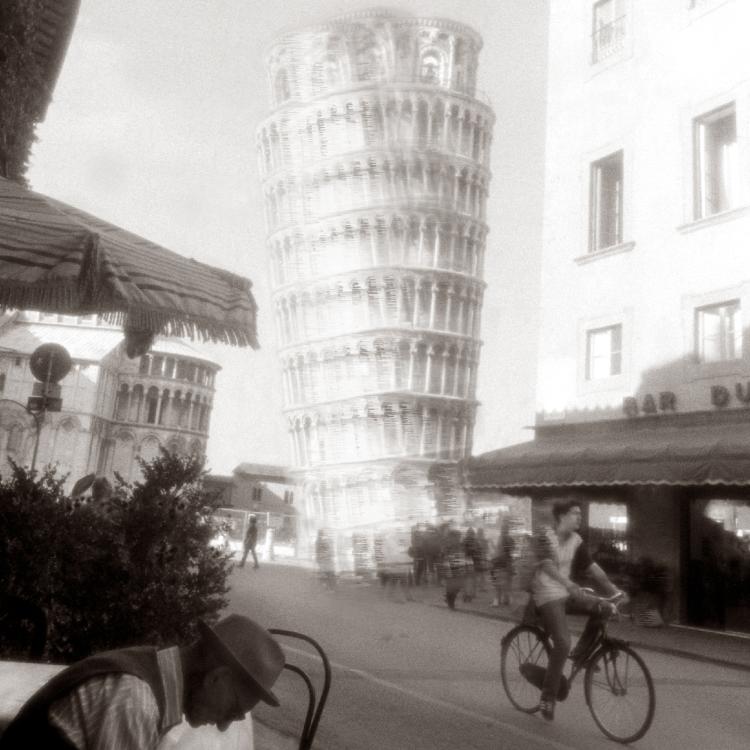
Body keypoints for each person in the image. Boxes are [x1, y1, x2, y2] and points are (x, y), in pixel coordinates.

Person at [0, 613, 285, 749]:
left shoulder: (154, 669)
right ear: (217, 678)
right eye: (232, 712)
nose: (223, 725)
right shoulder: (136, 699)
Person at [530, 500, 624, 722]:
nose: (579, 517)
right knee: (563, 642)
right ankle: (547, 698)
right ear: (561, 516)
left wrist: (614, 590)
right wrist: (569, 584)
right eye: (575, 513)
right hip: (546, 594)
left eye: (580, 514)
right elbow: (547, 565)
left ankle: (581, 653)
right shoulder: (545, 535)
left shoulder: (576, 540)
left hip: (567, 592)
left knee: (603, 607)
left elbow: (594, 569)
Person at [491, 519, 515, 607]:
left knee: (498, 582)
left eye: (503, 529)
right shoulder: (510, 539)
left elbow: (499, 551)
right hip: (507, 563)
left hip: (500, 563)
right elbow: (512, 549)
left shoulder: (501, 538)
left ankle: (497, 601)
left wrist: (494, 559)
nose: (502, 530)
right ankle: (506, 600)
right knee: (507, 582)